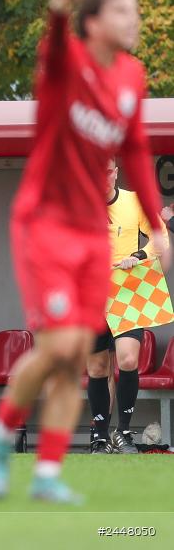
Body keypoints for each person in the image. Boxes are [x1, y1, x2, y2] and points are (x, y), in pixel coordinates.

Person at [0, 0, 168, 504]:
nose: (134, 19)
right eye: (123, 10)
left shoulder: (130, 74)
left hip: (91, 234)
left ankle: (46, 473)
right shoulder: (68, 60)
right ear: (94, 21)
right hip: (45, 222)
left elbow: (135, 150)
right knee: (62, 347)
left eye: (135, 10)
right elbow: (54, 50)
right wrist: (60, 13)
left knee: (78, 356)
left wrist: (157, 225)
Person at [87, 159, 168, 454]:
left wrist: (139, 255)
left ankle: (123, 432)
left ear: (116, 172)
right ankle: (99, 437)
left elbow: (161, 237)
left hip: (129, 292)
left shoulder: (134, 202)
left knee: (129, 360)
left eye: (108, 171)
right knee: (97, 367)